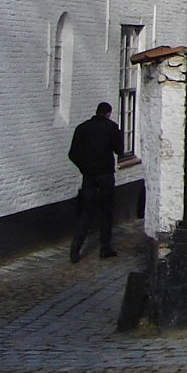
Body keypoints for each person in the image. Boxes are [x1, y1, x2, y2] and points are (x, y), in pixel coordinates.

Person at [68, 102, 124, 262]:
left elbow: (72, 154)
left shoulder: (82, 128)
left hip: (89, 176)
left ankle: (76, 246)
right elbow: (119, 150)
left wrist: (84, 168)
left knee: (86, 212)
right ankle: (104, 248)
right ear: (108, 113)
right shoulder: (111, 128)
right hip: (105, 174)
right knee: (106, 211)